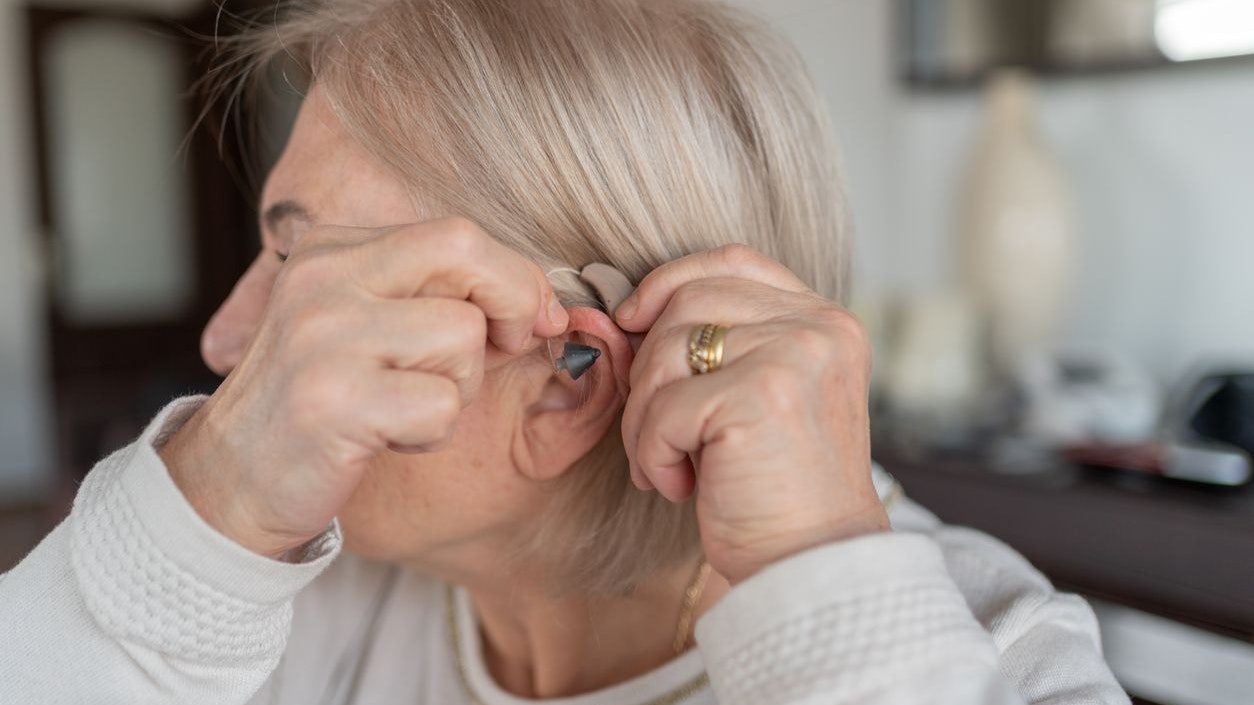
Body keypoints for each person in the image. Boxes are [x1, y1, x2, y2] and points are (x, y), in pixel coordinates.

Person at [0, 0, 1129, 703]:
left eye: (308, 274)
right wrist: (194, 523)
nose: (228, 336)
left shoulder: (999, 664)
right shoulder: (302, 603)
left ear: (567, 377)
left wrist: (823, 585)